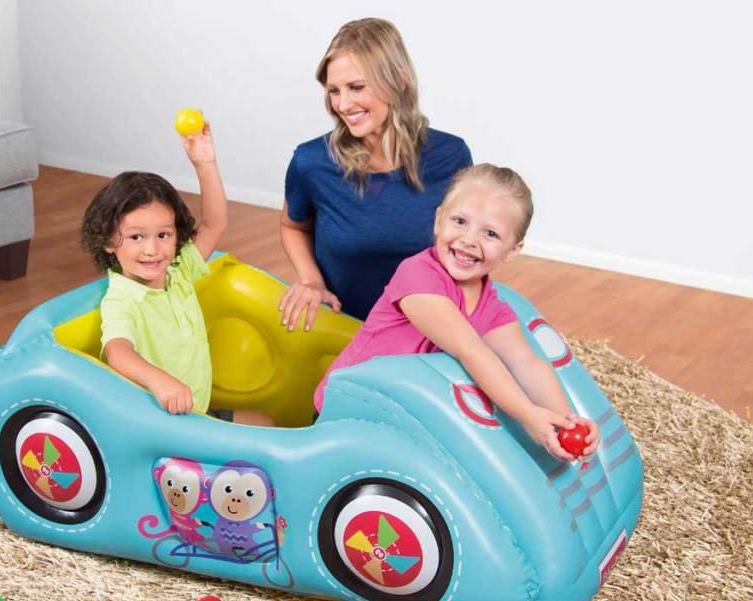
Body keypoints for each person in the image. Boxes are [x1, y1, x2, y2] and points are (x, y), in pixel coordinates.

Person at [314, 164, 599, 462]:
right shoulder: (417, 277)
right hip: (350, 413)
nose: (469, 240)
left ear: (513, 250)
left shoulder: (491, 304)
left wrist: (565, 421)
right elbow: (471, 351)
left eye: (490, 233)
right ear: (439, 220)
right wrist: (528, 415)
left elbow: (524, 362)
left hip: (410, 423)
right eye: (460, 221)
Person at [279, 17, 472, 330]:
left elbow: (469, 241)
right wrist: (311, 281)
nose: (343, 104)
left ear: (398, 79)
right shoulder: (311, 161)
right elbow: (293, 226)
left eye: (356, 87)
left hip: (431, 328)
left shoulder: (452, 156)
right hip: (346, 328)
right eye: (334, 91)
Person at [81, 125, 272, 426]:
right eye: (135, 237)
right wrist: (160, 382)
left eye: (163, 234)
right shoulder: (122, 298)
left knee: (265, 423)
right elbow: (118, 351)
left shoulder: (178, 272)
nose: (152, 249)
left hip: (194, 411)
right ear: (107, 240)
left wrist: (205, 164)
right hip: (160, 422)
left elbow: (214, 224)